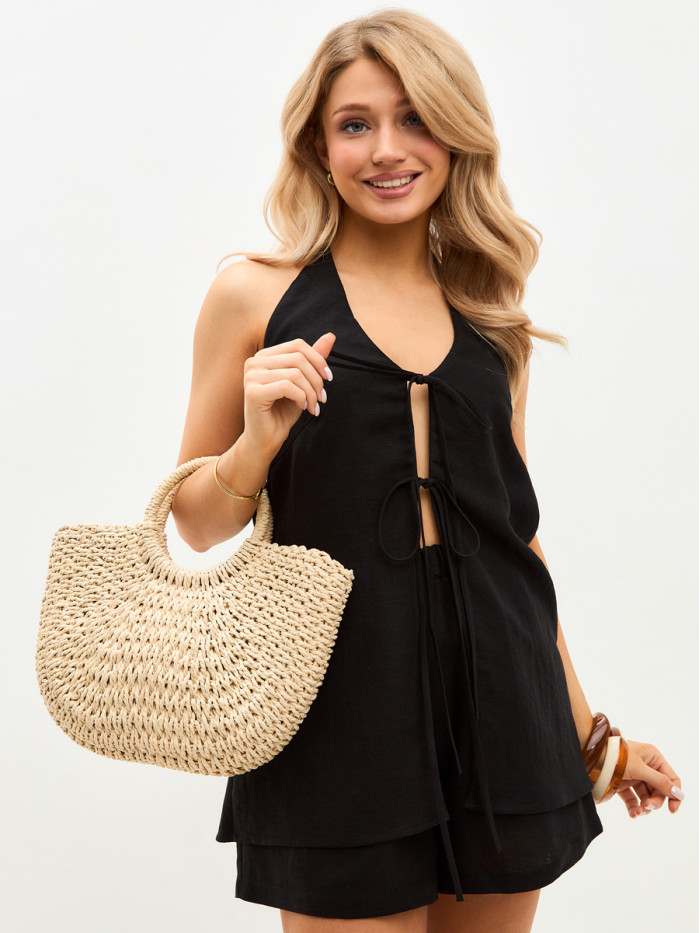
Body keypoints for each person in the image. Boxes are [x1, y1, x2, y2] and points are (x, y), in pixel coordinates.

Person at [170, 9, 684, 932]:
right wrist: (256, 441)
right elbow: (197, 523)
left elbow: (515, 540)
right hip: (337, 718)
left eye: (415, 118)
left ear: (455, 136)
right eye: (355, 123)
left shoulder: (491, 314)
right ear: (318, 146)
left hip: (505, 710)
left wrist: (593, 736)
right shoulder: (253, 295)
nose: (386, 149)